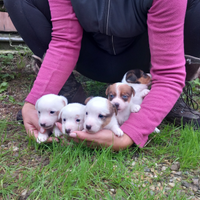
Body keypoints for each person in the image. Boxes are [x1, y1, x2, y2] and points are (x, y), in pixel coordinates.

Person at [3, 0, 200, 151]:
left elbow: (168, 72)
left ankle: (159, 97)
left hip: (145, 55)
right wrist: (33, 102)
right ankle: (65, 88)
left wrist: (128, 135)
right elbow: (65, 40)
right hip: (89, 55)